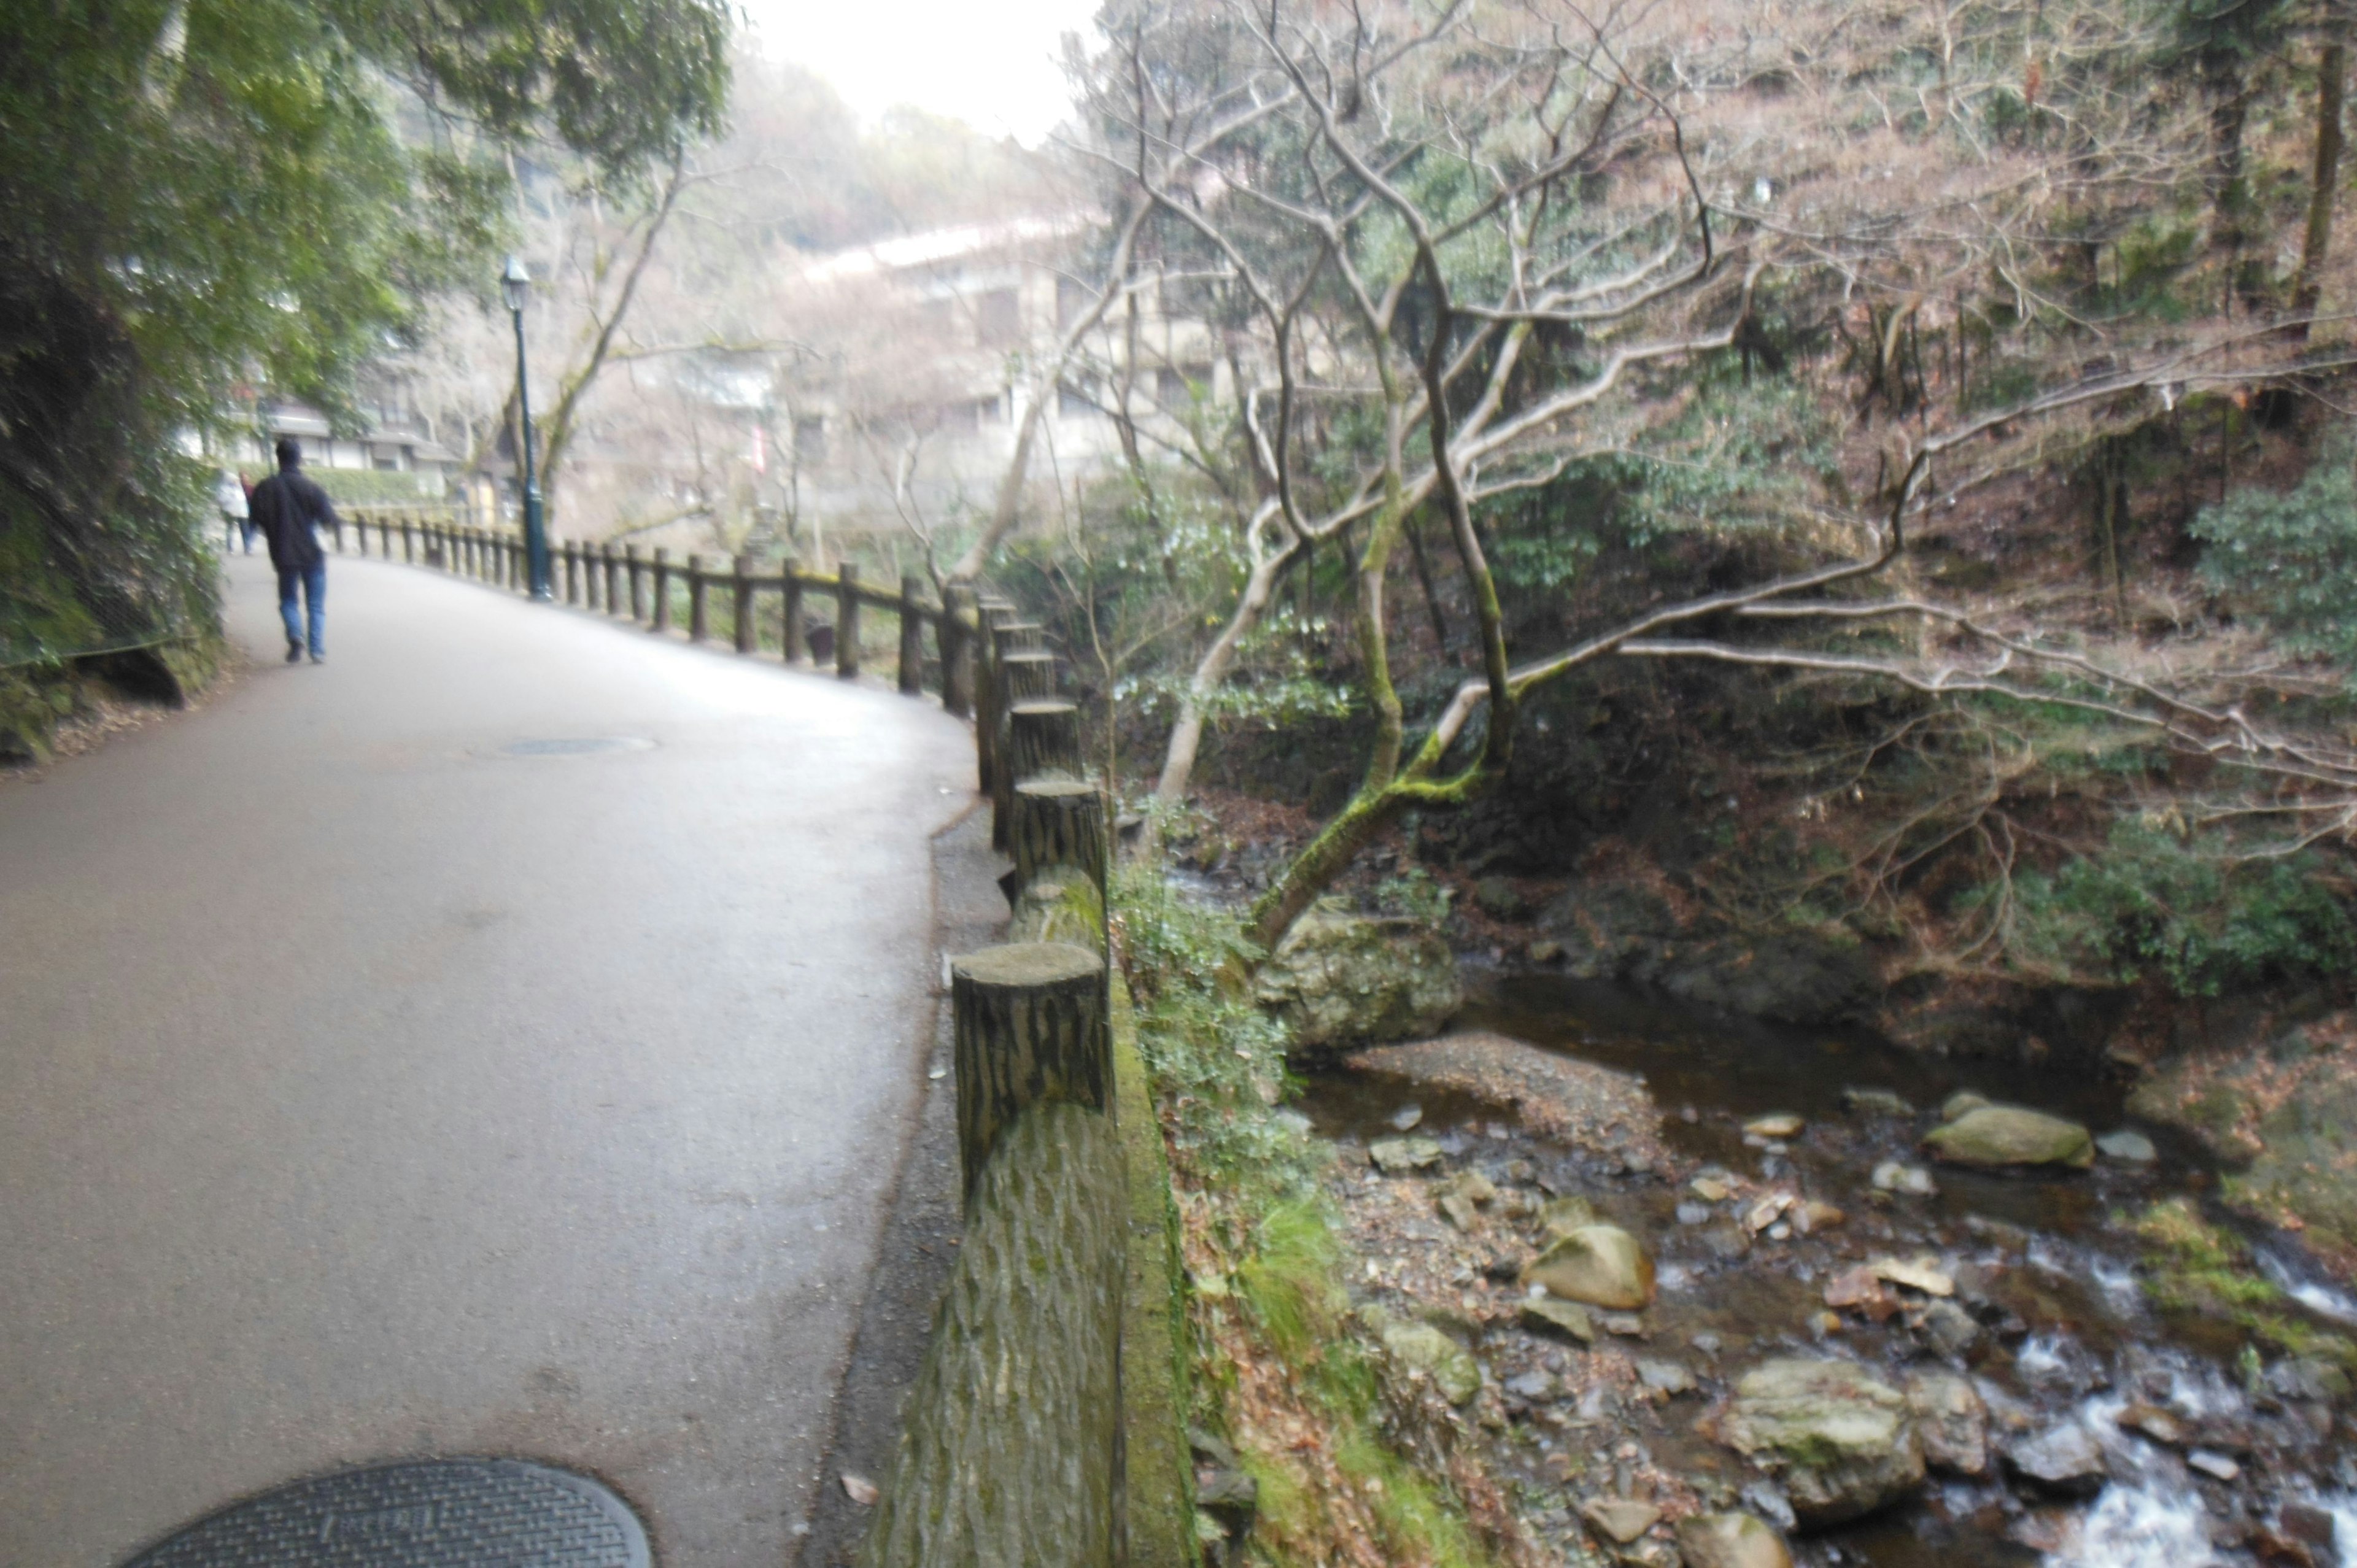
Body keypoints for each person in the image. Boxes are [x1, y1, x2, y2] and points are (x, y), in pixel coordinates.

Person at [247, 437, 339, 663]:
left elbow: (253, 521)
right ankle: (317, 650)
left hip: (283, 553)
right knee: (316, 605)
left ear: (278, 458)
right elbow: (330, 520)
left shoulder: (265, 488)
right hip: (313, 554)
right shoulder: (312, 488)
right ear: (299, 459)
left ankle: (295, 636)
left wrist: (272, 528)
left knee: (288, 600)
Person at [215, 469, 251, 554]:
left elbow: (243, 500)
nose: (236, 481)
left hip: (241, 512)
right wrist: (231, 500)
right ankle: (230, 548)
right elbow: (222, 499)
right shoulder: (225, 489)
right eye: (234, 480)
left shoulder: (239, 488)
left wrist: (246, 511)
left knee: (245, 530)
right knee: (230, 529)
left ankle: (248, 548)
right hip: (230, 512)